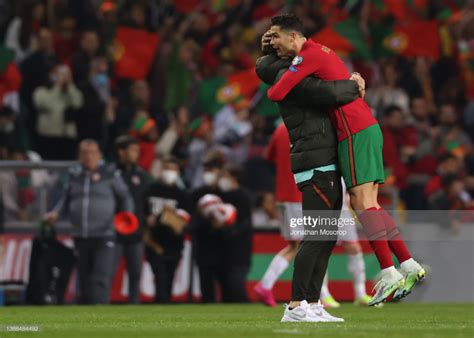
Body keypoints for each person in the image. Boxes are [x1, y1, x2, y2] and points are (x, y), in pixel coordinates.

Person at [265, 14, 426, 306]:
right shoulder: (323, 51)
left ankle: (388, 272)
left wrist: (282, 74)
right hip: (366, 126)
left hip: (353, 130)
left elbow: (276, 91)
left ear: (293, 36)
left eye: (275, 36)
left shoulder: (307, 57)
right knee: (371, 203)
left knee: (362, 204)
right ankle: (407, 263)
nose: (272, 42)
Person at [256, 47, 363, 321]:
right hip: (315, 170)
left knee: (324, 237)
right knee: (314, 238)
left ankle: (313, 303)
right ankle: (295, 305)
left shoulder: (293, 91)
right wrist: (354, 83)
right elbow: (333, 94)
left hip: (319, 170)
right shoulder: (297, 87)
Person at [43, 139, 133, 304]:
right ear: (80, 155)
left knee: (101, 276)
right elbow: (66, 199)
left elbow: (125, 196)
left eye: (92, 153)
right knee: (84, 277)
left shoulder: (110, 174)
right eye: (85, 153)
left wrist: (127, 216)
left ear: (99, 155)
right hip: (81, 234)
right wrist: (56, 213)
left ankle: (100, 313)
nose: (89, 156)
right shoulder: (74, 176)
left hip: (105, 233)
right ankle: (86, 314)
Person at [143, 156, 191, 303]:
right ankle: (161, 303)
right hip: (154, 241)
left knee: (169, 276)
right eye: (167, 168)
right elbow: (140, 211)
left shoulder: (182, 194)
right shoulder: (150, 190)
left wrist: (179, 225)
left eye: (173, 169)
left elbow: (188, 219)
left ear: (178, 172)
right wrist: (146, 219)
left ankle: (165, 306)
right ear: (161, 170)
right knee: (160, 276)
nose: (170, 172)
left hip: (174, 243)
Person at [114, 135, 151, 304]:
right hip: (113, 233)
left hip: (136, 233)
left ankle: (134, 307)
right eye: (133, 150)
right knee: (107, 273)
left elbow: (147, 203)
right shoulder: (111, 174)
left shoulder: (142, 176)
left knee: (135, 274)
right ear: (121, 152)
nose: (136, 153)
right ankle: (99, 309)